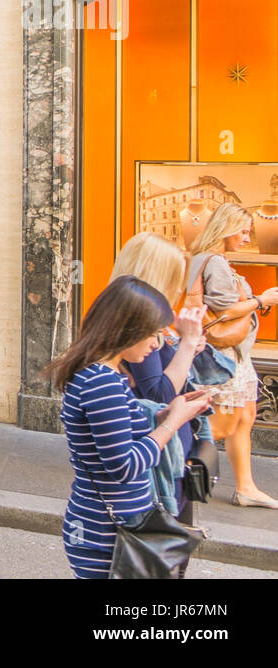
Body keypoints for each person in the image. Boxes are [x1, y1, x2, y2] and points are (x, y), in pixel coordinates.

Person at [43, 275, 213, 578]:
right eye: (152, 333)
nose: (156, 344)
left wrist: (166, 413)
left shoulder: (101, 375)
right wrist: (172, 424)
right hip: (107, 533)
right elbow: (124, 466)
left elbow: (114, 434)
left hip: (110, 525)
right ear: (127, 329)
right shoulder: (103, 382)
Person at [110, 232, 209, 535]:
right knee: (163, 548)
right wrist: (188, 344)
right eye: (175, 276)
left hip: (161, 448)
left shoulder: (130, 315)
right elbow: (159, 393)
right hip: (156, 452)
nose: (180, 287)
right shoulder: (137, 320)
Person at [188, 203, 278, 507]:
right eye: (241, 230)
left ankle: (246, 487)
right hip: (223, 354)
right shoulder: (212, 261)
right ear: (225, 228)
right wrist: (260, 299)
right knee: (225, 423)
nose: (246, 236)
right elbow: (224, 313)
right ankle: (166, 455)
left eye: (248, 230)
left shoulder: (214, 260)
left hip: (236, 354)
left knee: (246, 417)